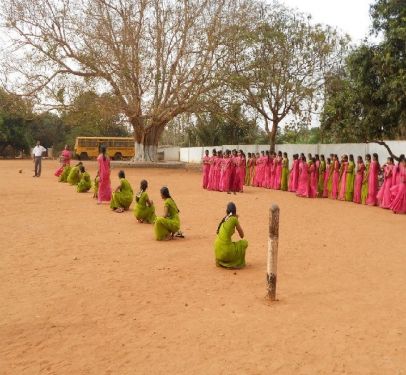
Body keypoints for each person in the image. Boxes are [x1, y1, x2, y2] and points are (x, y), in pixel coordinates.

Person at [214, 202, 248, 269]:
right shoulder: (234, 219)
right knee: (244, 243)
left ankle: (221, 261)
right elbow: (242, 235)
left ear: (226, 211)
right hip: (226, 252)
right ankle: (232, 262)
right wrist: (236, 220)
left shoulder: (225, 219)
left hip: (217, 251)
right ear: (235, 211)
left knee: (229, 244)